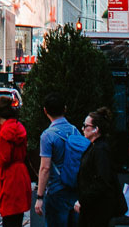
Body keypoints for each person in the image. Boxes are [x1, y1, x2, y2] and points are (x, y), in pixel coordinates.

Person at [40, 97, 91, 227]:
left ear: (45, 111)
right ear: (65, 109)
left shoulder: (47, 135)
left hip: (56, 190)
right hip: (75, 187)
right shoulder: (75, 130)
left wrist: (39, 197)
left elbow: (45, 168)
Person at [0, 96, 34, 227]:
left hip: (11, 179)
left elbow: (2, 158)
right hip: (20, 174)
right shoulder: (16, 126)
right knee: (16, 219)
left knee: (9, 220)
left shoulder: (6, 131)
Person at [79, 109, 128, 227]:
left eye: (86, 126)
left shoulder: (100, 149)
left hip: (98, 209)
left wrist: (83, 201)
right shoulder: (96, 147)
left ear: (96, 129)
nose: (83, 129)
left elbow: (102, 181)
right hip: (95, 207)